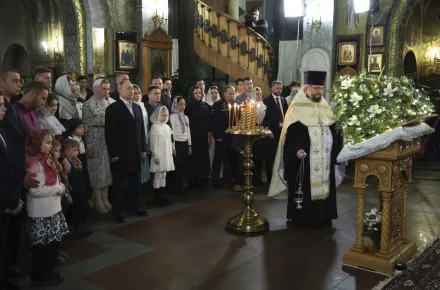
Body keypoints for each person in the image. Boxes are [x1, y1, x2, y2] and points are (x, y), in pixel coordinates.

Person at [269, 71, 341, 227]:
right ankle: (303, 217)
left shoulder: (324, 105)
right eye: (315, 88)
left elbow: (332, 128)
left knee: (324, 185)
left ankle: (323, 216)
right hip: (304, 158)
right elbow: (292, 132)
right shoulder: (297, 107)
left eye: (321, 88)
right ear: (307, 87)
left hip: (323, 157)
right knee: (304, 187)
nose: (318, 92)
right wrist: (296, 149)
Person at [25, 129, 69, 286]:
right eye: (48, 142)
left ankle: (49, 271)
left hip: (51, 211)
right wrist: (59, 188)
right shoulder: (35, 164)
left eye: (51, 142)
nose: (51, 146)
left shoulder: (46, 160)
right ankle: (41, 275)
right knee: (43, 249)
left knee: (52, 247)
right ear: (37, 144)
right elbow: (35, 190)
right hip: (42, 213)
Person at [105, 80, 148, 223]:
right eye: (128, 88)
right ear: (120, 90)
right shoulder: (113, 108)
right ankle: (118, 211)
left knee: (135, 182)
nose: (132, 91)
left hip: (135, 152)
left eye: (133, 89)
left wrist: (143, 149)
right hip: (121, 154)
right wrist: (114, 153)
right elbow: (110, 133)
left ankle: (134, 207)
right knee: (119, 184)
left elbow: (141, 130)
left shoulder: (137, 107)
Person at [0, 94, 23, 290]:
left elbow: (11, 165)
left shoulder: (2, 131)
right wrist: (10, 201)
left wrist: (15, 196)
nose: (4, 109)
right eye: (0, 105)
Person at [83, 78, 114, 214]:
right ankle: (97, 200)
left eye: (108, 89)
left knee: (107, 169)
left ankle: (105, 197)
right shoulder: (88, 104)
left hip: (109, 137)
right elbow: (87, 125)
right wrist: (89, 144)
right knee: (96, 168)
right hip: (95, 137)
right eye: (103, 89)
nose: (106, 91)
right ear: (96, 88)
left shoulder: (112, 102)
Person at [62, 139, 92, 236]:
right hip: (73, 192)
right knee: (76, 211)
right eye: (75, 150)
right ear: (66, 151)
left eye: (78, 150)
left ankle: (83, 226)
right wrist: (67, 195)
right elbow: (65, 182)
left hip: (80, 191)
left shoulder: (76, 162)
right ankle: (78, 228)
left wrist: (80, 168)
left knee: (83, 209)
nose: (77, 152)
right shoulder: (66, 165)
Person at [185, 86, 212, 189]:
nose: (198, 95)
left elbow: (209, 122)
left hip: (203, 136)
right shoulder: (188, 106)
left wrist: (209, 136)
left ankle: (203, 180)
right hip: (192, 135)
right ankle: (192, 180)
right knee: (193, 158)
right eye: (196, 93)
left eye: (199, 93)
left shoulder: (205, 106)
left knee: (203, 157)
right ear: (192, 94)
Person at [262, 80, 288, 184]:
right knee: (270, 157)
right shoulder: (266, 101)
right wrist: (268, 131)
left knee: (281, 155)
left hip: (282, 132)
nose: (279, 90)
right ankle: (269, 179)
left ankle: (280, 178)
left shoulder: (283, 100)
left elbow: (286, 114)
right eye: (277, 88)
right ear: (272, 89)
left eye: (281, 88)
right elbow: (264, 119)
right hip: (271, 133)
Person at [150, 106, 175, 205]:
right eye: (163, 115)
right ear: (158, 115)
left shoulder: (167, 127)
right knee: (158, 175)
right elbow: (153, 143)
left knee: (164, 174)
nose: (165, 117)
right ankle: (157, 197)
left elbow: (171, 140)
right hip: (159, 155)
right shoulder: (154, 127)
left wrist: (173, 149)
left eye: (166, 115)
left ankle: (162, 196)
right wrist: (156, 156)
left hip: (167, 155)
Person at [169, 97, 192, 194]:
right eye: (181, 104)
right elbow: (172, 132)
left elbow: (188, 131)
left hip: (185, 143)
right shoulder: (172, 117)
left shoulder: (186, 117)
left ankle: (182, 185)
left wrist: (190, 145)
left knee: (184, 165)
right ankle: (176, 187)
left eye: (184, 104)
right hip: (177, 143)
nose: (183, 106)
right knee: (177, 166)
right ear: (176, 105)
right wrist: (173, 146)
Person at [133, 84, 150, 186]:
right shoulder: (131, 107)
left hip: (145, 136)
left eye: (139, 93)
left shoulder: (142, 106)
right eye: (135, 93)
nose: (137, 95)